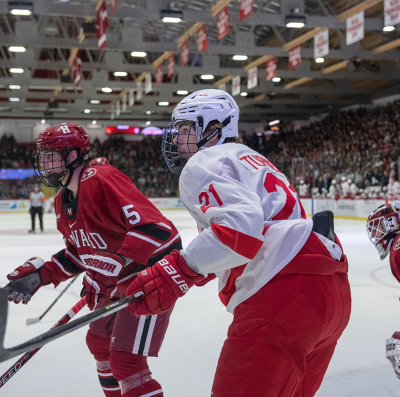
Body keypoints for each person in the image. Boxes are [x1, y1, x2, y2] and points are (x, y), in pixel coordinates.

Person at [125, 89, 352, 397]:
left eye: (185, 128)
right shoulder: (253, 158)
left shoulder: (203, 162)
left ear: (213, 130)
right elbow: (254, 230)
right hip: (331, 294)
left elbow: (241, 232)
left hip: (283, 293)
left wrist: (178, 270)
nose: (177, 138)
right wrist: (198, 268)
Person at [5, 123, 182, 397]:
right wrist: (43, 274)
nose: (44, 162)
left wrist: (114, 263)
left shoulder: (99, 178)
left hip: (147, 279)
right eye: (43, 155)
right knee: (98, 343)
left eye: (51, 155)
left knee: (126, 362)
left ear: (73, 155)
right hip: (116, 286)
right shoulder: (61, 201)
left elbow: (159, 231)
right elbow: (80, 254)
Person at [366, 202, 400, 378]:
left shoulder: (397, 249)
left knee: (396, 348)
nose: (373, 235)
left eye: (376, 228)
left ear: (389, 224)